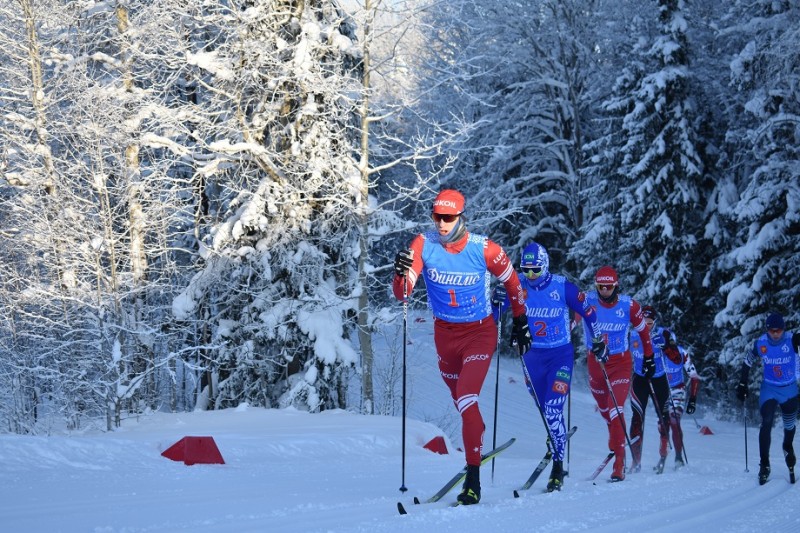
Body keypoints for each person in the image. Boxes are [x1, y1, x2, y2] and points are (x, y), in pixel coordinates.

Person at [392, 189, 530, 505]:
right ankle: (476, 433)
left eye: (448, 217)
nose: (441, 223)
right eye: (436, 216)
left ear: (461, 216)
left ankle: (473, 481)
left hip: (479, 333)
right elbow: (403, 294)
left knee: (468, 396)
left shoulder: (485, 249)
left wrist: (520, 322)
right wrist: (400, 274)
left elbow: (513, 284)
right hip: (444, 336)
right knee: (463, 406)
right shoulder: (423, 245)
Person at [492, 242, 606, 492]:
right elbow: (493, 316)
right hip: (531, 357)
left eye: (535, 270)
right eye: (526, 269)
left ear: (545, 266)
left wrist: (597, 340)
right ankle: (554, 436)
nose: (530, 275)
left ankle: (557, 466)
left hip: (559, 355)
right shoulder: (517, 285)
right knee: (544, 409)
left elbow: (589, 312)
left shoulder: (561, 286)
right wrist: (496, 302)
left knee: (553, 408)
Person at [582, 266, 655, 481]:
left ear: (616, 285)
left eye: (608, 287)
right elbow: (574, 316)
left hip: (620, 362)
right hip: (595, 363)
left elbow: (643, 330)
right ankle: (615, 438)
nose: (604, 291)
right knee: (605, 411)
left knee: (616, 407)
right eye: (600, 287)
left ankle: (619, 463)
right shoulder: (588, 301)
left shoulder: (629, 306)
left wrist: (649, 357)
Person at [736, 312, 800, 485]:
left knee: (789, 425)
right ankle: (764, 465)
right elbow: (748, 361)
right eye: (772, 330)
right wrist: (743, 383)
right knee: (767, 421)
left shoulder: (792, 340)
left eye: (778, 330)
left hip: (789, 390)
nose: (775, 333)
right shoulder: (761, 344)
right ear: (767, 330)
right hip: (769, 389)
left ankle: (788, 446)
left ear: (783, 330)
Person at [628, 305, 682, 473]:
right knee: (637, 417)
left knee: (663, 417)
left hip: (659, 379)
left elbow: (677, 360)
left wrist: (666, 347)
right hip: (639, 379)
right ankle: (635, 461)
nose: (646, 326)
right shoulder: (631, 334)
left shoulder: (664, 334)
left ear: (655, 322)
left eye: (650, 323)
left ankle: (663, 455)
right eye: (642, 322)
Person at [662, 344, 701, 467]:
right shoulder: (657, 351)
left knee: (674, 420)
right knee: (662, 424)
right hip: (662, 390)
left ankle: (678, 457)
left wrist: (693, 399)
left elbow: (694, 377)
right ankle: (662, 456)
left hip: (678, 390)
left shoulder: (681, 353)